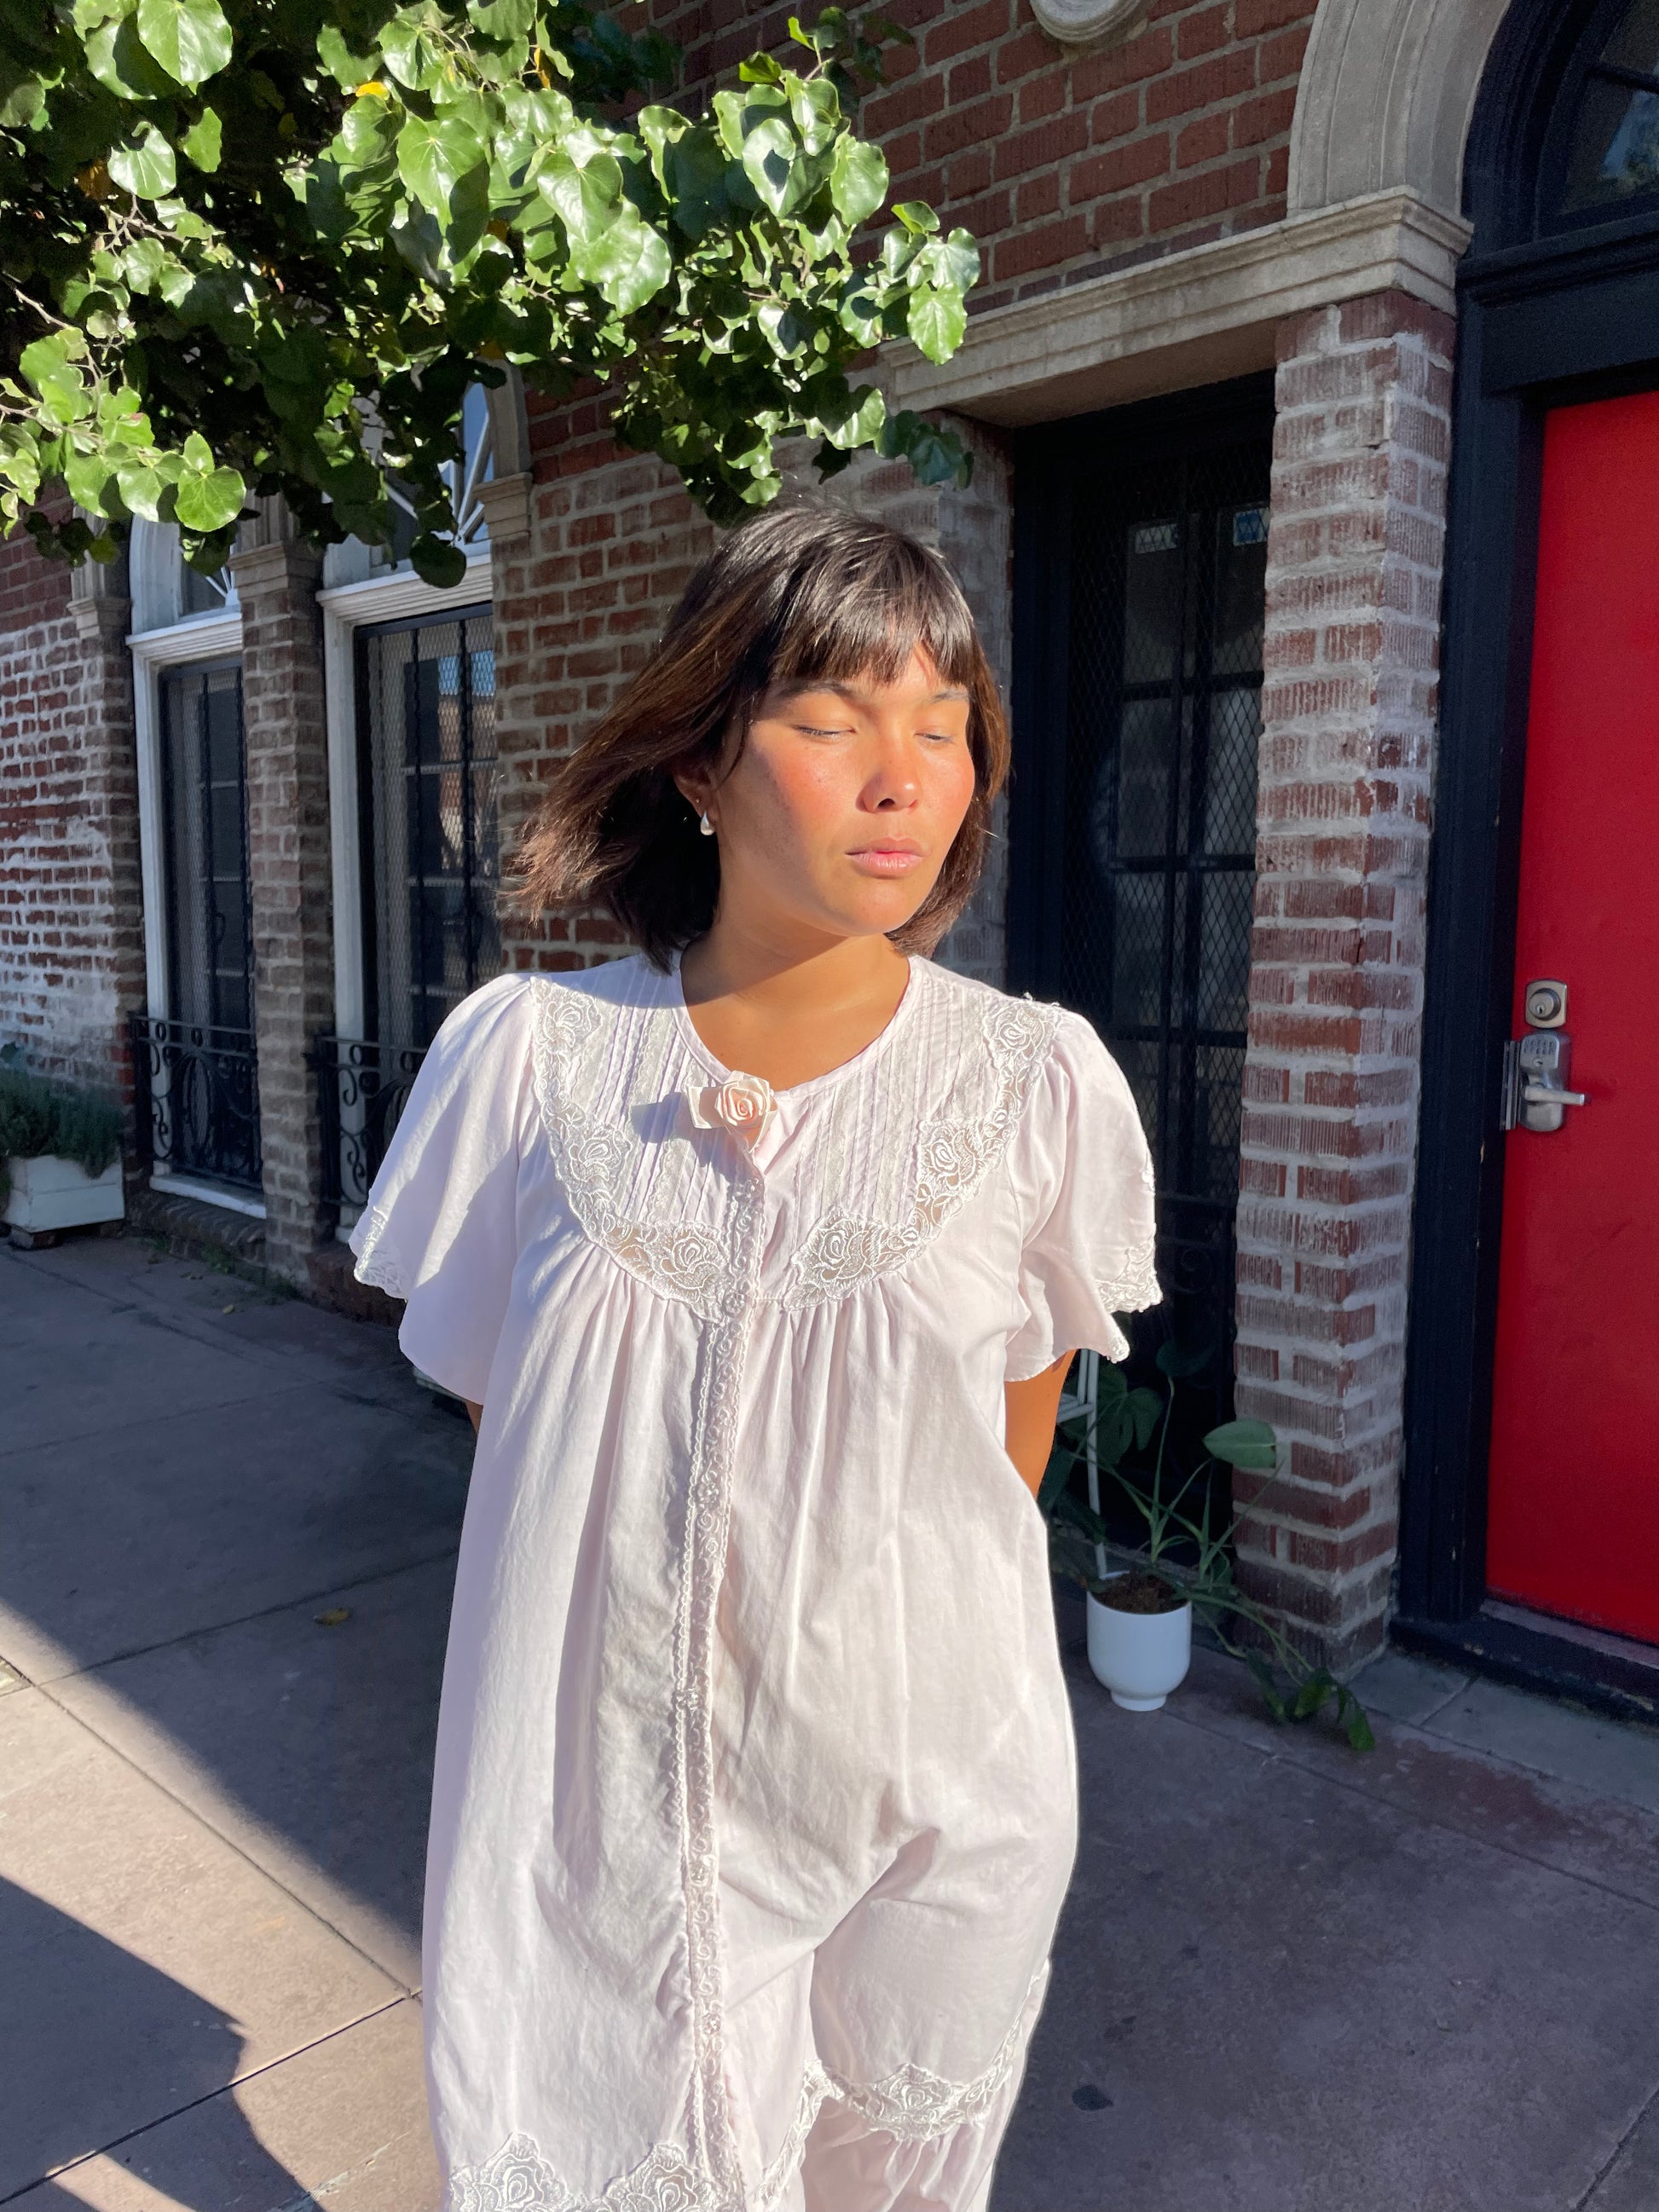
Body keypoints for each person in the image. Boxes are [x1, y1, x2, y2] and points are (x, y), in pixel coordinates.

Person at [350, 505, 1160, 2212]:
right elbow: (528, 1434)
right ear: (699, 761)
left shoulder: (1031, 1086)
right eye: (832, 714)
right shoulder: (528, 1064)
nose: (903, 773)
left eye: (942, 724)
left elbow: (994, 1472)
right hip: (596, 1815)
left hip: (932, 1804)